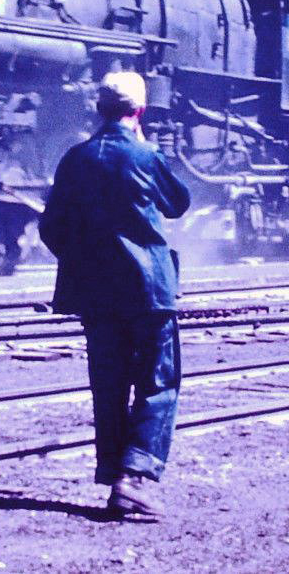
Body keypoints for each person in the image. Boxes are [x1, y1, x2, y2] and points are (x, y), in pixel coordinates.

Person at [38, 71, 191, 520]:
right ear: (138, 111)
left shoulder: (75, 159)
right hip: (148, 292)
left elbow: (51, 229)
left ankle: (112, 470)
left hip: (95, 294)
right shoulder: (145, 155)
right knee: (157, 381)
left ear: (98, 110)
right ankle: (134, 478)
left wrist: (85, 261)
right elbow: (177, 203)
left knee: (108, 384)